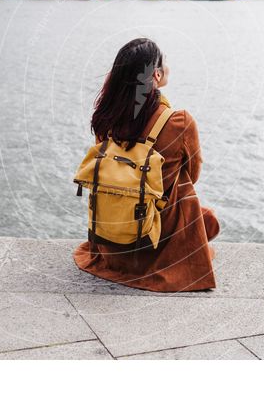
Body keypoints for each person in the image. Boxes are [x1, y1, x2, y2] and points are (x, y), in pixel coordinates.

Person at [72, 37, 220, 292]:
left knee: (204, 216)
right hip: (154, 243)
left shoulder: (106, 119)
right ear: (158, 75)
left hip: (109, 244)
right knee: (201, 209)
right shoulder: (179, 122)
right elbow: (193, 176)